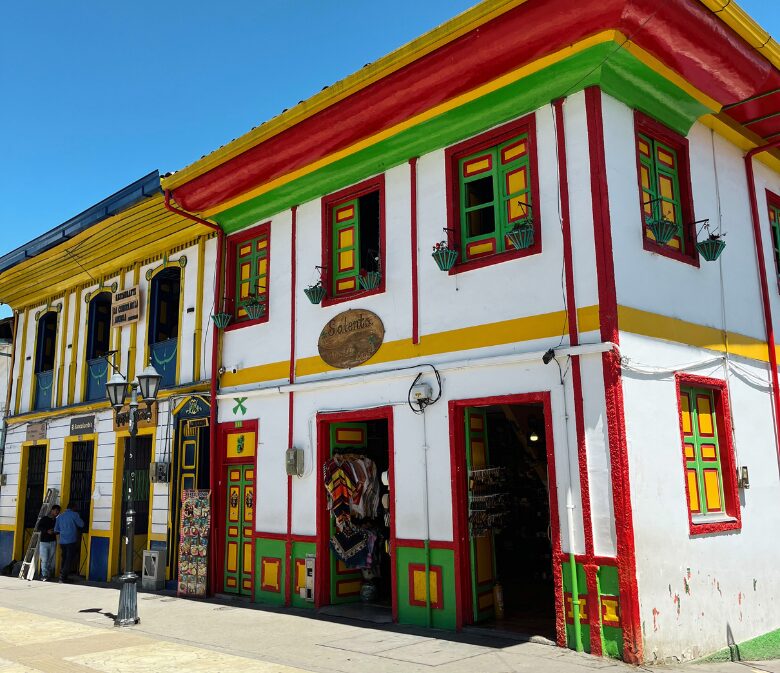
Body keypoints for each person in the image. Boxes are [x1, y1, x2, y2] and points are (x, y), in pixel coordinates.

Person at [54, 503, 84, 583]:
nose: (76, 509)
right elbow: (81, 524)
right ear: (73, 507)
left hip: (62, 541)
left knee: (64, 558)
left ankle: (62, 575)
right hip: (71, 541)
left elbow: (56, 530)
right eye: (76, 507)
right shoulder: (74, 515)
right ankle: (63, 577)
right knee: (69, 559)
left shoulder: (59, 516)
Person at [36, 504, 60, 581]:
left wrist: (55, 532)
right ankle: (44, 575)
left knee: (50, 559)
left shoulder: (56, 520)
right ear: (52, 510)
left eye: (58, 511)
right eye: (56, 511)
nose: (57, 512)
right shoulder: (44, 519)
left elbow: (58, 530)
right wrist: (47, 531)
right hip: (44, 542)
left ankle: (48, 574)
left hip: (53, 542)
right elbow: (39, 527)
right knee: (44, 559)